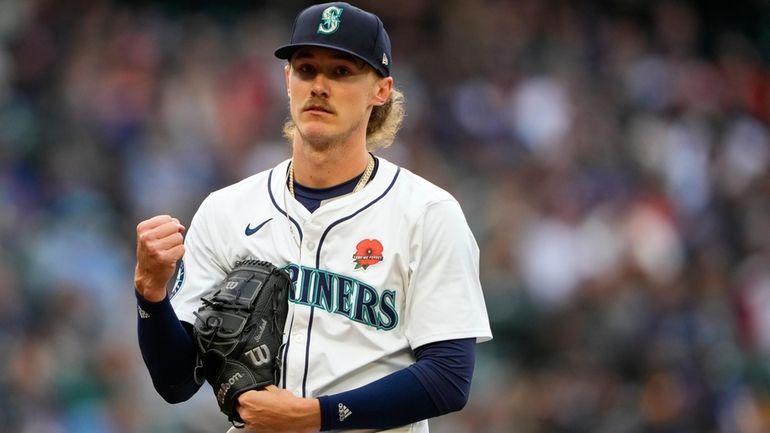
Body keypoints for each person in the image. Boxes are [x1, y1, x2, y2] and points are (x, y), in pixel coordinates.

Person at [133, 2, 492, 432]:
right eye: (306, 70)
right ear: (287, 80)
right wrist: (151, 293)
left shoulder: (428, 213)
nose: (319, 86)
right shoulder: (226, 210)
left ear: (381, 90)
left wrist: (315, 417)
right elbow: (176, 382)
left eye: (341, 72)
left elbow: (449, 378)